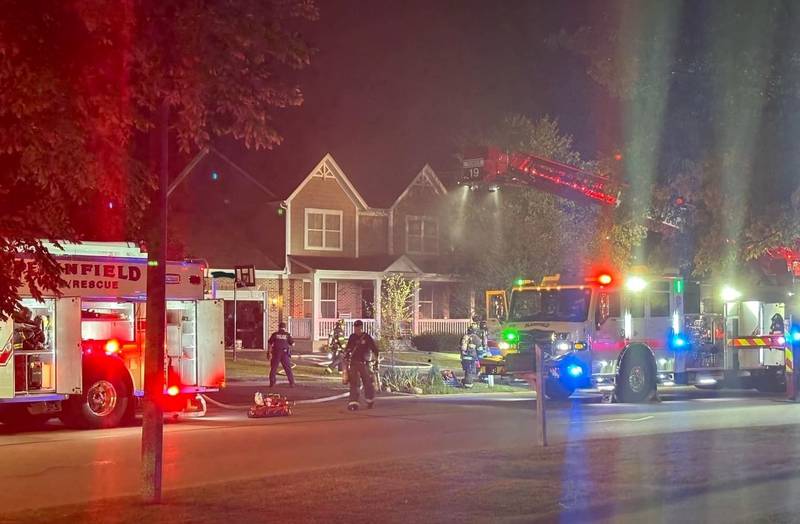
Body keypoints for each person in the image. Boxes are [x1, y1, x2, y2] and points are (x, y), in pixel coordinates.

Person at [344, 319, 379, 411]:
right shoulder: (352, 337)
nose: (356, 330)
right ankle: (353, 403)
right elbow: (348, 348)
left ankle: (369, 400)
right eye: (355, 328)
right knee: (354, 383)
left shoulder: (367, 337)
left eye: (358, 328)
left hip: (364, 363)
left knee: (367, 382)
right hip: (354, 362)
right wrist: (346, 355)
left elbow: (374, 348)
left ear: (361, 327)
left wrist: (376, 359)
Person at [267, 321, 295, 387]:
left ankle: (272, 383)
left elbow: (270, 343)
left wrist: (268, 352)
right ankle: (292, 383)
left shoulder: (275, 334)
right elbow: (293, 344)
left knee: (273, 368)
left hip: (276, 353)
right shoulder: (287, 335)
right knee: (287, 368)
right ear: (285, 328)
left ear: (279, 327)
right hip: (284, 353)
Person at [460, 323, 481, 388]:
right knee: (471, 371)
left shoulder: (464, 337)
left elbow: (460, 346)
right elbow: (479, 348)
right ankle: (468, 384)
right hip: (472, 357)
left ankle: (465, 382)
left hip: (464, 357)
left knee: (467, 371)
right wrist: (481, 356)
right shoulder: (476, 338)